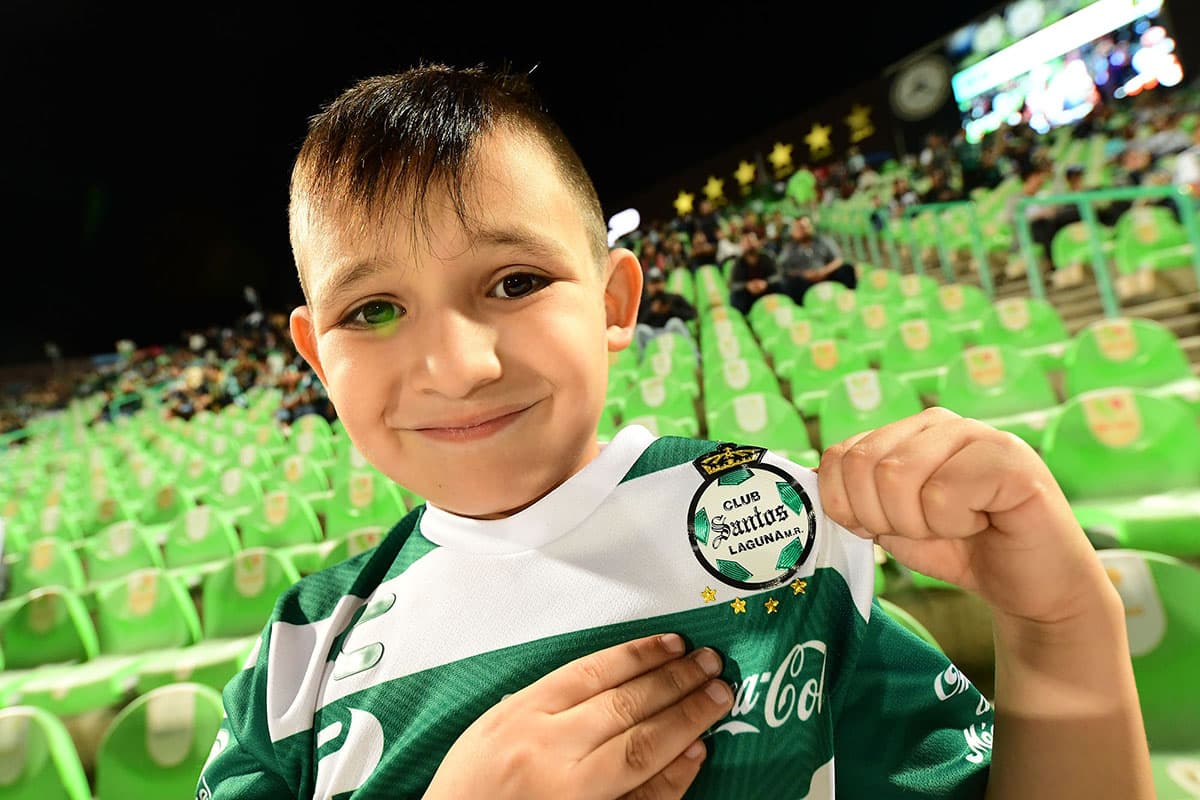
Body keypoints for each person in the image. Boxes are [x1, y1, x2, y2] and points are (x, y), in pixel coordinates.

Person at [199, 64, 1152, 799]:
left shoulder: (772, 534)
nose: (458, 367)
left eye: (515, 282)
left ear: (616, 302)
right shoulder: (294, 662)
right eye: (370, 310)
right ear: (317, 360)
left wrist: (1062, 628)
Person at [777, 216, 857, 304]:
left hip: (826, 275)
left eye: (804, 227)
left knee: (847, 269)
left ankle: (850, 299)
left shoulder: (824, 240)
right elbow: (784, 269)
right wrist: (804, 275)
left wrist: (824, 271)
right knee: (790, 283)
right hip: (804, 281)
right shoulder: (788, 249)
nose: (802, 231)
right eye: (798, 228)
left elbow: (838, 259)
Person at [635, 267, 697, 353]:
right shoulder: (643, 303)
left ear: (664, 282)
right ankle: (644, 362)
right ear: (647, 286)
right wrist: (651, 311)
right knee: (640, 330)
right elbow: (638, 324)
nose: (656, 286)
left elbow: (693, 314)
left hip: (672, 332)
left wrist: (671, 310)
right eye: (653, 283)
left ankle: (693, 356)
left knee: (675, 323)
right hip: (653, 336)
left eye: (658, 282)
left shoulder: (675, 298)